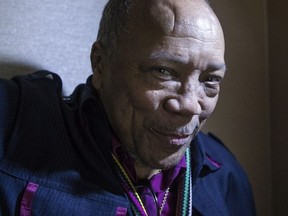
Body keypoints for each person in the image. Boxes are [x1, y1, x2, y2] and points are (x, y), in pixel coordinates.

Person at [0, 0, 256, 215]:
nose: (190, 106)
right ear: (100, 64)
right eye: (163, 71)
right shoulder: (20, 126)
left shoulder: (224, 175)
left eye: (210, 80)